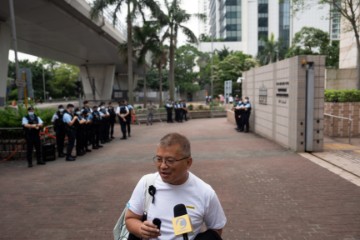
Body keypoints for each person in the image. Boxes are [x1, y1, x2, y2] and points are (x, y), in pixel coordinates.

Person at [125, 133, 227, 239]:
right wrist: (140, 228)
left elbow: (216, 229)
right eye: (159, 159)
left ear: (188, 162)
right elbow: (130, 219)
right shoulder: (146, 183)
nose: (163, 166)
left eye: (170, 161)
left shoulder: (206, 193)